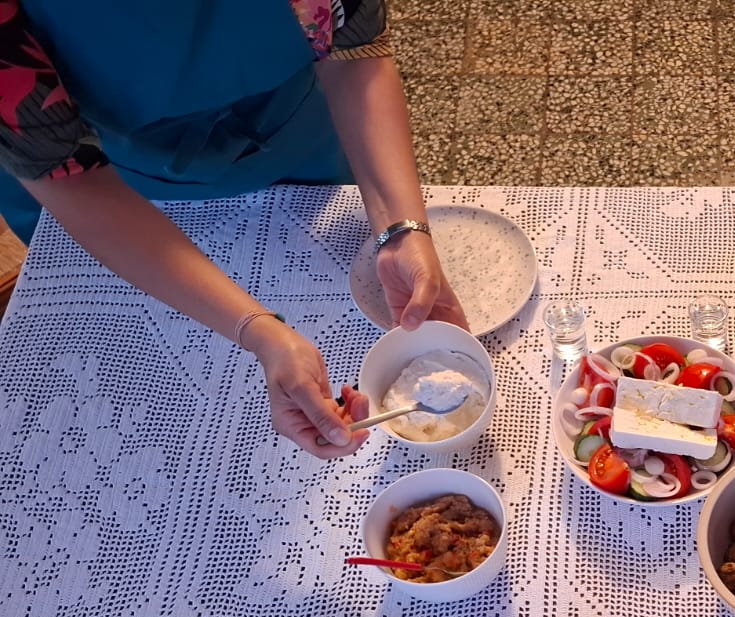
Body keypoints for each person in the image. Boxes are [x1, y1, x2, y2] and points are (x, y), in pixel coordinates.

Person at [0, 1, 466, 458]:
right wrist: (262, 333)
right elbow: (65, 173)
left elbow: (352, 47)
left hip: (295, 129)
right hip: (116, 187)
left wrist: (400, 230)